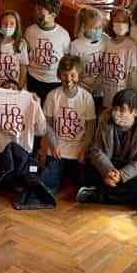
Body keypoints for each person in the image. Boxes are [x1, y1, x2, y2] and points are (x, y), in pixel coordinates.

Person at [76, 89, 137, 205]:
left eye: (122, 110)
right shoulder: (105, 120)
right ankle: (125, 195)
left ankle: (96, 195)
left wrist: (121, 175)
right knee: (85, 170)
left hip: (130, 169)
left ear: (134, 112)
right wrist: (108, 171)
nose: (116, 113)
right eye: (115, 108)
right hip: (109, 165)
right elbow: (96, 150)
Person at [39, 55, 97, 193]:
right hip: (57, 147)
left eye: (72, 75)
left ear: (79, 75)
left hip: (78, 148)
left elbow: (90, 127)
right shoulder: (53, 96)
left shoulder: (86, 97)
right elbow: (47, 124)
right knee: (48, 185)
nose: (68, 79)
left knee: (82, 182)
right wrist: (53, 144)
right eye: (65, 75)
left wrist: (84, 148)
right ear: (59, 75)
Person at [25, 0, 71, 105]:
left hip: (54, 81)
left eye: (41, 12)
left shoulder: (63, 34)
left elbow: (66, 58)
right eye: (36, 10)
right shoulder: (30, 31)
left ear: (53, 15)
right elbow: (26, 54)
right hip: (34, 79)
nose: (37, 14)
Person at [68, 6, 106, 110]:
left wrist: (96, 84)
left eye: (100, 27)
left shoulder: (105, 40)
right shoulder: (76, 45)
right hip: (83, 88)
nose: (97, 30)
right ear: (84, 27)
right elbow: (74, 69)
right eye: (94, 28)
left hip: (101, 89)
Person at [101, 7, 137, 110]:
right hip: (105, 90)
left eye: (124, 21)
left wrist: (132, 94)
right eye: (117, 21)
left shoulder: (131, 45)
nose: (120, 24)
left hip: (122, 93)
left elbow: (132, 73)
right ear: (112, 22)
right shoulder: (106, 42)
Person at [0, 10, 29, 89]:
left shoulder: (21, 44)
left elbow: (23, 67)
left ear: (16, 26)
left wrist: (20, 87)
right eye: (5, 23)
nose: (8, 26)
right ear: (0, 25)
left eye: (12, 24)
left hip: (14, 87)